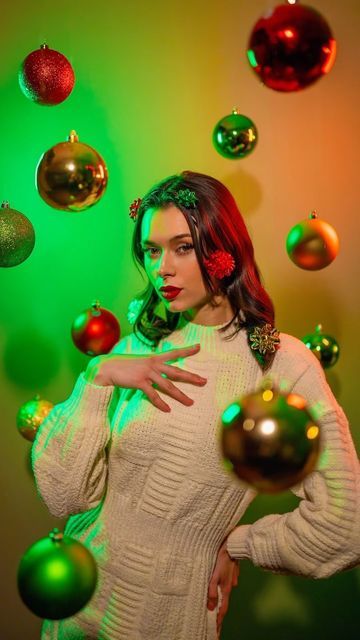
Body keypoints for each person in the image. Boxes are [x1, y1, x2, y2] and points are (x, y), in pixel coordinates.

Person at [32, 170, 360, 640]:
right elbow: (66, 499)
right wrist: (96, 376)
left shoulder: (279, 363)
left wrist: (236, 543)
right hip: (78, 600)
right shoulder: (140, 345)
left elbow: (345, 526)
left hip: (168, 615)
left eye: (182, 247)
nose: (162, 267)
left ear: (223, 247)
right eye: (151, 249)